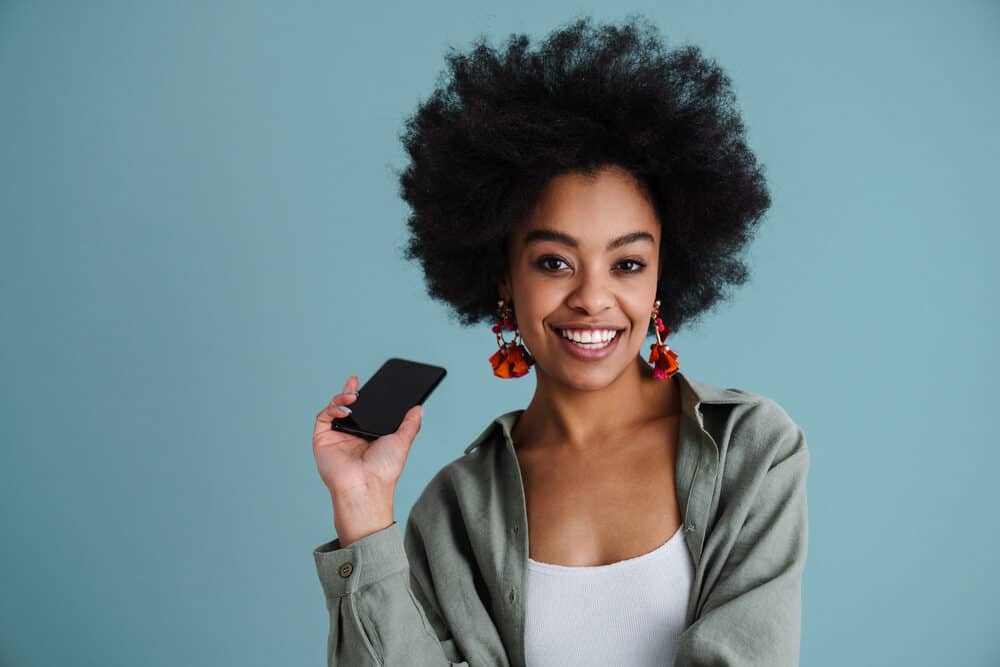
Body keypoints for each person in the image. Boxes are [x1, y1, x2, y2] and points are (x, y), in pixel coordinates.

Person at [310, 14, 810, 667]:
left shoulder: (751, 450)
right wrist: (363, 507)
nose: (593, 297)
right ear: (504, 277)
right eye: (554, 262)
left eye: (627, 263)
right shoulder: (456, 511)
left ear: (665, 275)